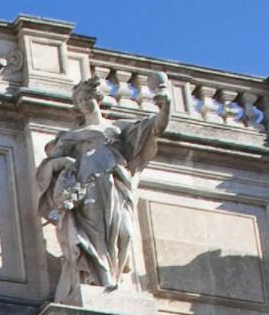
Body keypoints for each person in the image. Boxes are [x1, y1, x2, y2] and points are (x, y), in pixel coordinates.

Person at [36, 76, 170, 297]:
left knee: (125, 233)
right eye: (79, 100)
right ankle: (103, 281)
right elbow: (48, 166)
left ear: (97, 97)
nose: (84, 102)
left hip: (115, 187)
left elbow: (155, 127)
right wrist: (65, 162)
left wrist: (166, 106)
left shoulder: (118, 128)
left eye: (87, 97)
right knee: (94, 237)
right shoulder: (69, 137)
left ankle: (114, 276)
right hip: (88, 188)